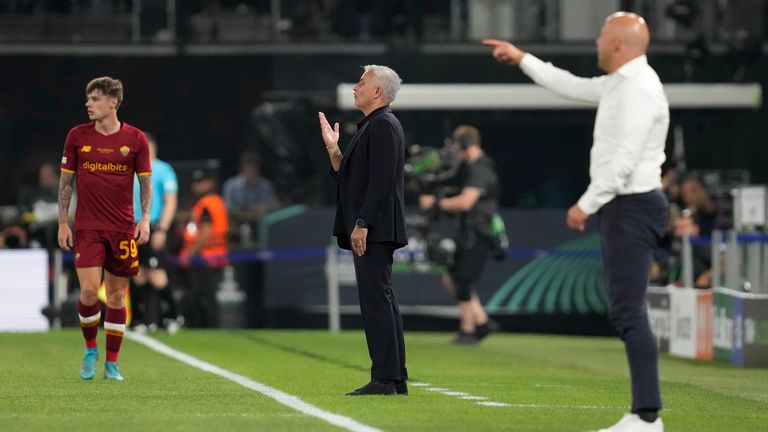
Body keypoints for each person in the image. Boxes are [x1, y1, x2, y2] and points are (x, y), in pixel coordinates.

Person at [485, 12, 669, 432]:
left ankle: (646, 417)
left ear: (619, 44)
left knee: (628, 309)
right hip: (626, 204)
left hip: (633, 203)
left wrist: (585, 203)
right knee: (625, 308)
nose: (597, 43)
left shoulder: (638, 88)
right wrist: (523, 59)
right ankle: (644, 414)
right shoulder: (622, 84)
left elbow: (623, 161)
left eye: (602, 36)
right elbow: (571, 85)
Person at [318, 65, 409, 396]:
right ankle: (394, 377)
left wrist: (363, 223)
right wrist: (333, 149)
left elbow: (381, 183)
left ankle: (385, 378)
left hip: (375, 228)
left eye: (361, 82)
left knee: (376, 301)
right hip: (376, 226)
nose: (355, 88)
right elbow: (352, 179)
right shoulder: (375, 126)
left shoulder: (383, 125)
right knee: (381, 299)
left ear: (377, 92)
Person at [58, 76, 152, 381]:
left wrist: (146, 218)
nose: (88, 104)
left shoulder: (136, 139)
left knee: (115, 297)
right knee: (88, 291)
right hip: (87, 227)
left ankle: (112, 363)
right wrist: (63, 221)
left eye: (94, 99)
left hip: (122, 228)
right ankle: (90, 349)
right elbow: (66, 182)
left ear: (113, 102)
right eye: (87, 99)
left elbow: (145, 183)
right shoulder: (76, 136)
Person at [419, 125, 500, 344]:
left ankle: (470, 328)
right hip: (469, 231)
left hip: (477, 232)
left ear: (465, 146)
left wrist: (437, 204)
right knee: (453, 278)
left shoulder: (481, 169)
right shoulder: (474, 168)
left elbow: (466, 202)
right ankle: (481, 323)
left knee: (460, 280)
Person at [131, 133, 181, 334]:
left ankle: (173, 315)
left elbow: (171, 201)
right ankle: (141, 319)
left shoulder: (163, 170)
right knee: (136, 273)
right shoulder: (130, 170)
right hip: (131, 226)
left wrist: (162, 229)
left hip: (153, 225)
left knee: (157, 274)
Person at [179, 169, 229, 328]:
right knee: (206, 295)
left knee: (204, 296)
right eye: (196, 183)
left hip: (205, 256)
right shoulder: (216, 201)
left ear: (210, 183)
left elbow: (206, 232)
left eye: (201, 182)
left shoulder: (207, 204)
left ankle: (208, 326)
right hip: (216, 255)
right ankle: (209, 325)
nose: (197, 186)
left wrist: (191, 252)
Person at [222, 150, 279, 216]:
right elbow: (228, 208)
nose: (251, 172)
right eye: (249, 169)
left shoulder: (266, 186)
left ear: (258, 169)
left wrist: (266, 206)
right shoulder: (230, 185)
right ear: (242, 169)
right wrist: (246, 210)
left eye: (254, 169)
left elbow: (275, 206)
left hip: (259, 220)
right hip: (238, 221)